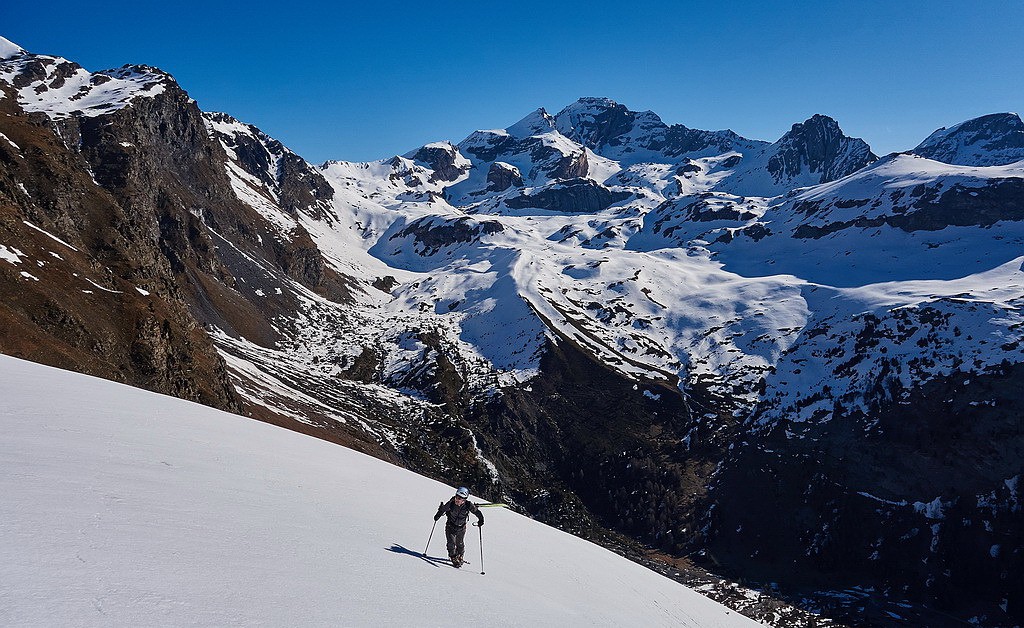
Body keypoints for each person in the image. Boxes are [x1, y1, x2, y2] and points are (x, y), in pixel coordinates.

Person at [433, 486, 483, 568]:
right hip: (450, 527)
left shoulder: (468, 505)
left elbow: (477, 512)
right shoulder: (451, 503)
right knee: (451, 543)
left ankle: (460, 556)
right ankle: (453, 557)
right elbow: (443, 510)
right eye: (456, 497)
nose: (457, 499)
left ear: (464, 500)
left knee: (460, 543)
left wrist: (481, 520)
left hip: (461, 528)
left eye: (459, 498)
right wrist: (437, 516)